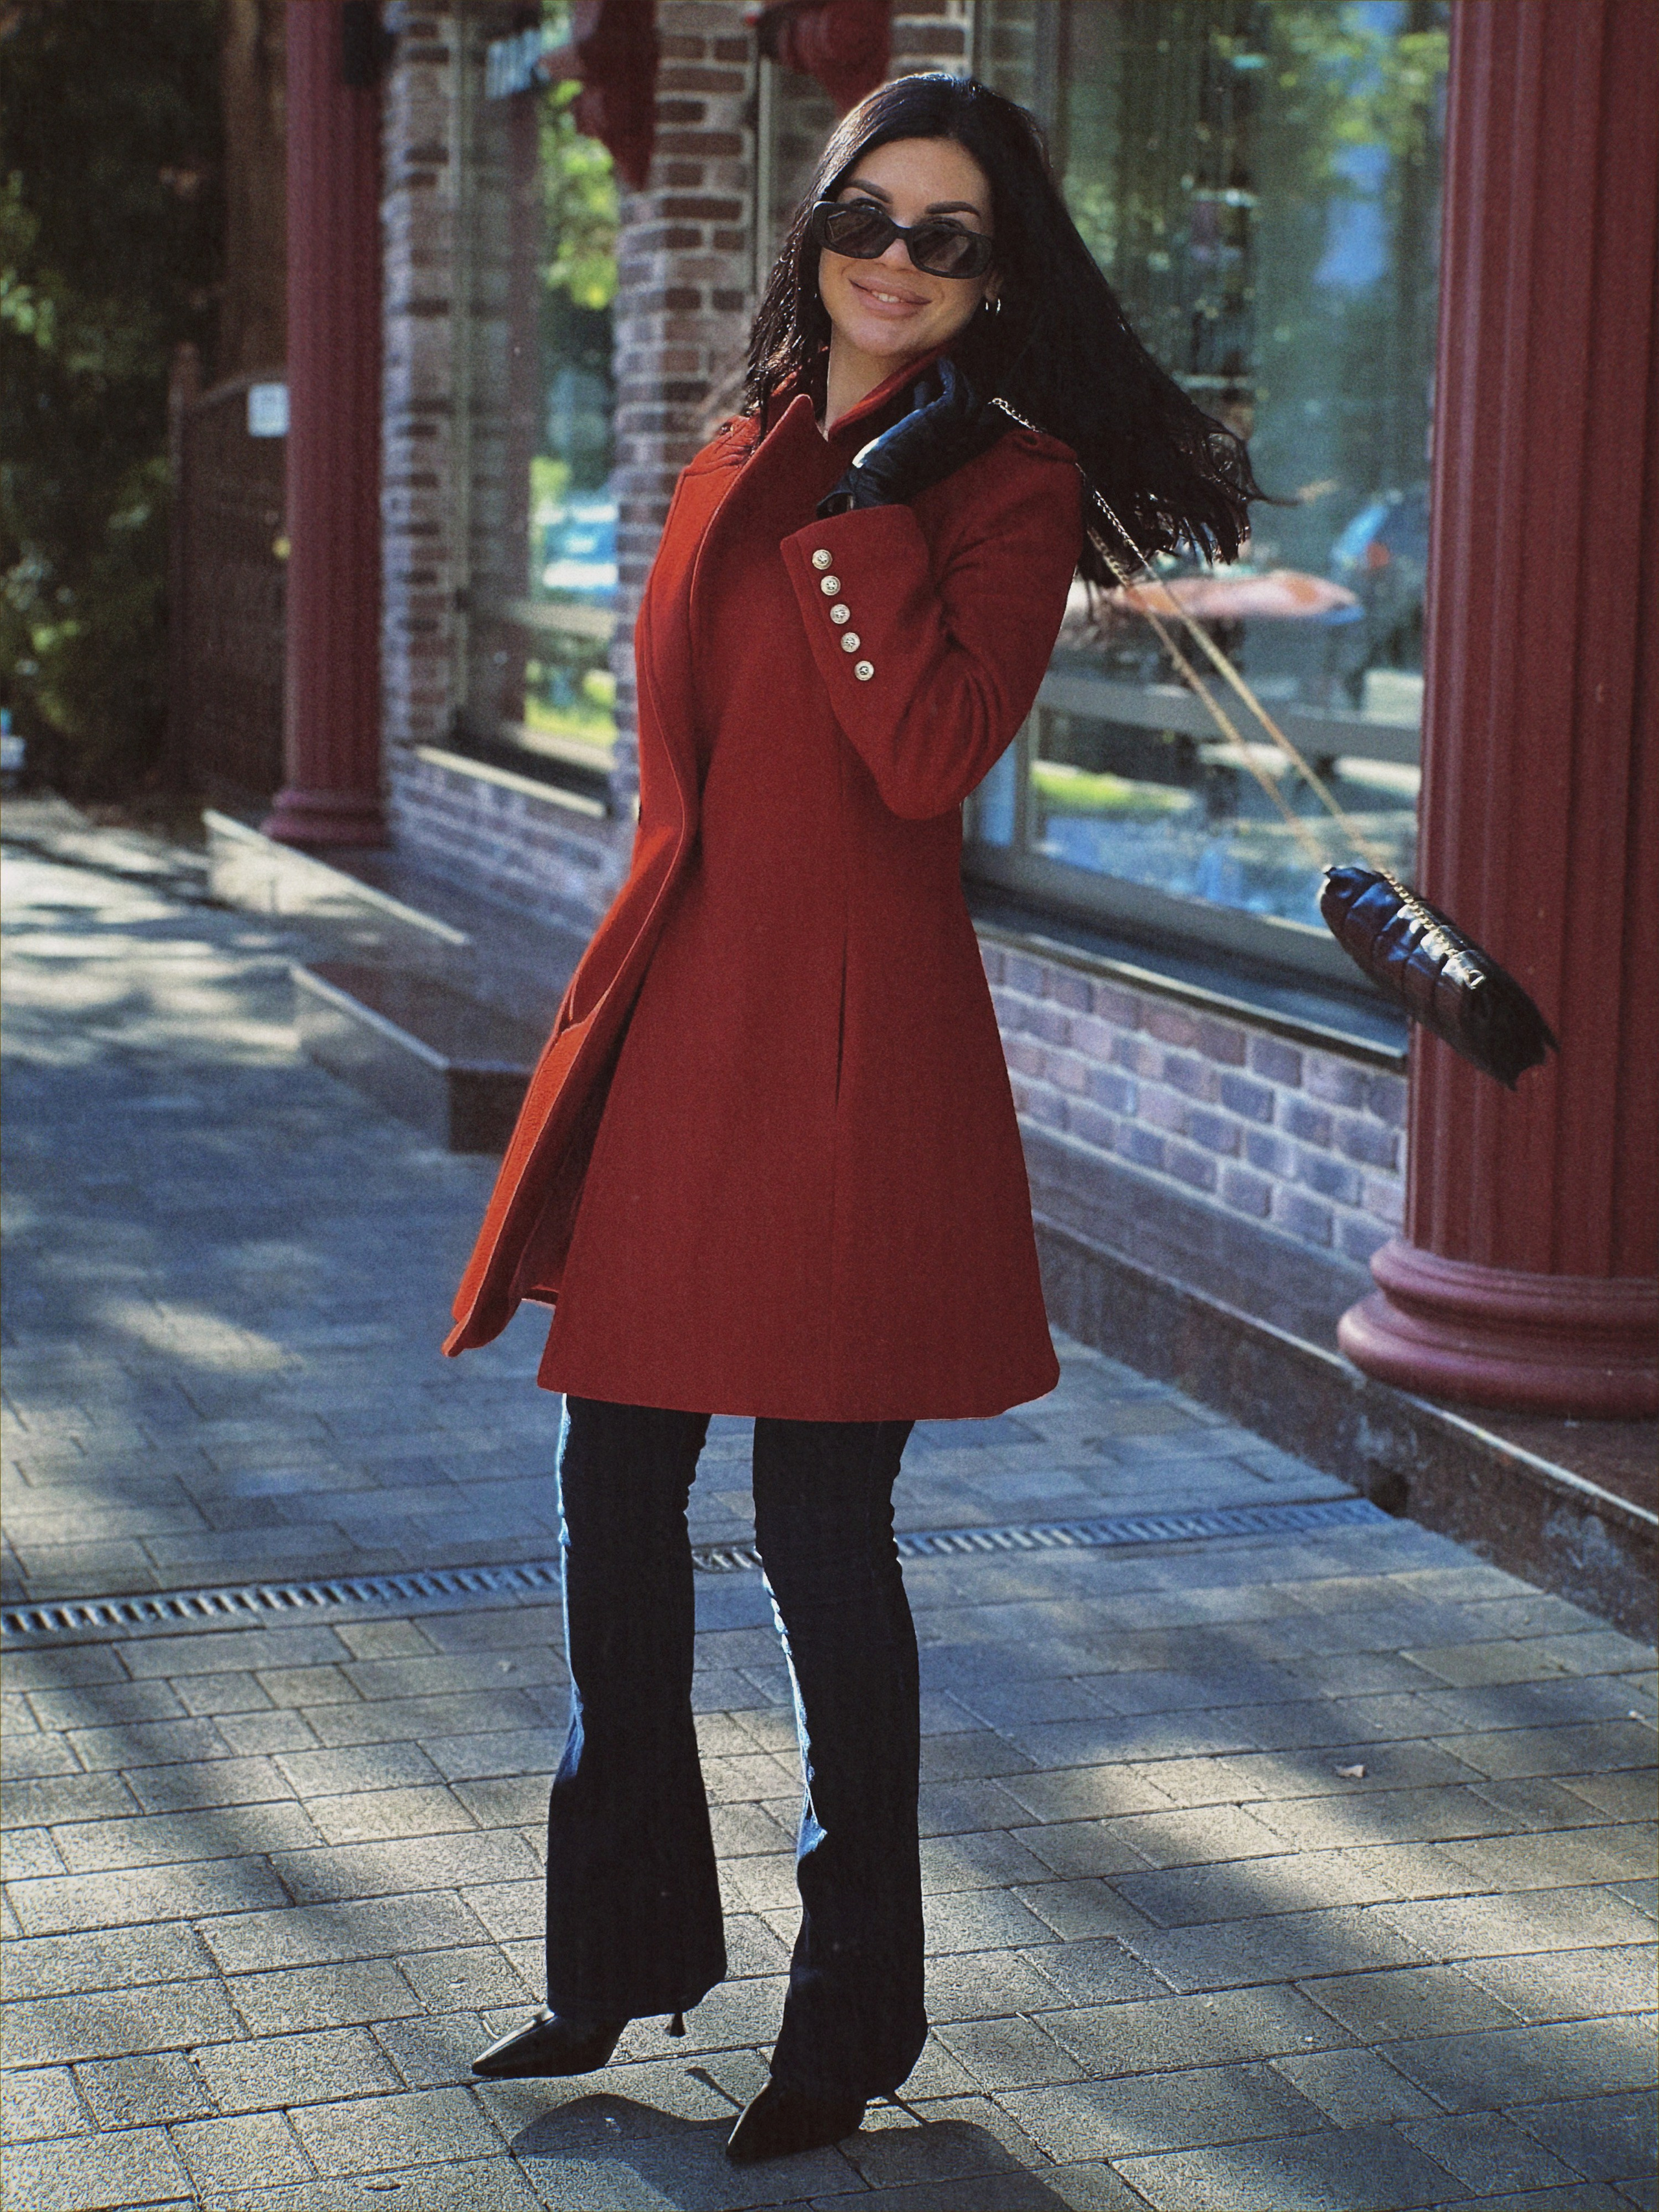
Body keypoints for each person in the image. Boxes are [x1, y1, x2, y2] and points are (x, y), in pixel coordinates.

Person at [450, 73, 1258, 2166]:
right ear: (811, 227)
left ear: (997, 282)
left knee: (822, 1539)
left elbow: (921, 758)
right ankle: (614, 1959)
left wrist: (883, 500)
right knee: (610, 1487)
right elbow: (687, 768)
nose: (894, 261)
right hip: (683, 1036)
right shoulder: (742, 434)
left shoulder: (1002, 486)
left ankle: (849, 2020)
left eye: (948, 238)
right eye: (865, 218)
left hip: (847, 1070)